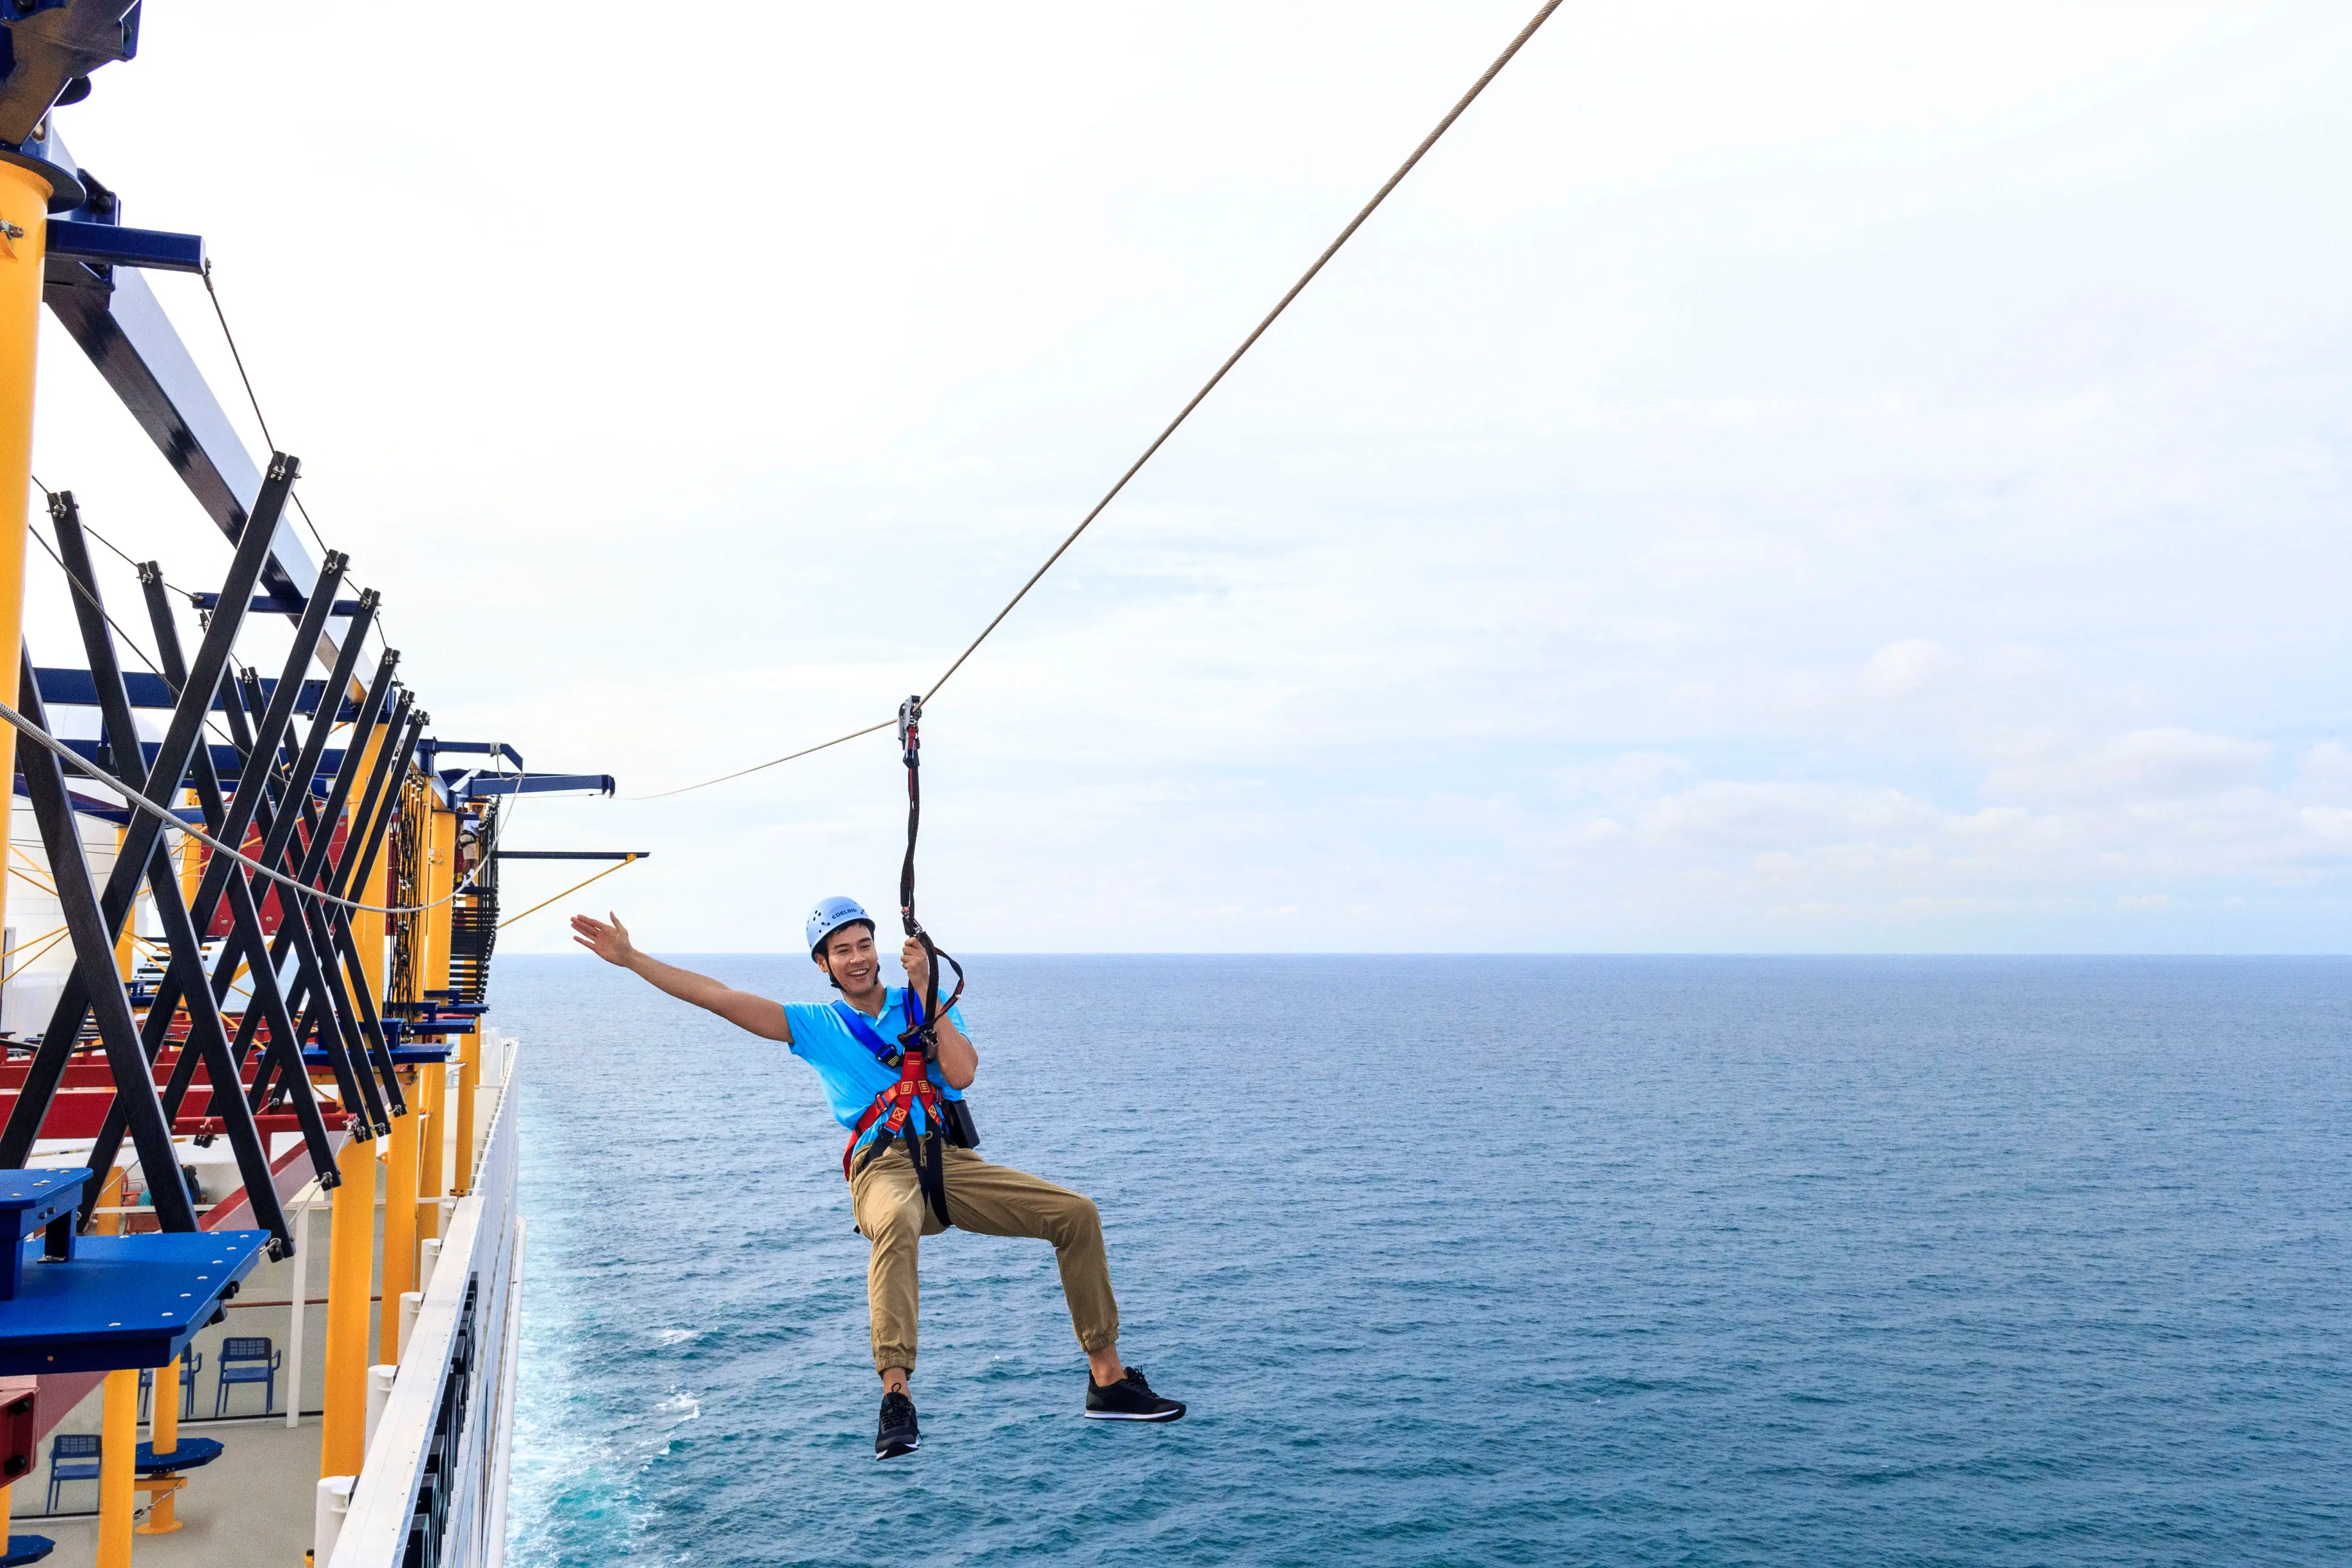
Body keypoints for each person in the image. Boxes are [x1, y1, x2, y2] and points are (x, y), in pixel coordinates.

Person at [569, 896, 1184, 1459]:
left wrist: (927, 988)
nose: (857, 958)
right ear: (823, 964)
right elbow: (716, 995)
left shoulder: (926, 1002)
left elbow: (963, 1074)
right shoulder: (816, 1025)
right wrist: (630, 959)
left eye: (864, 944)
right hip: (882, 1166)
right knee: (894, 1222)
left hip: (951, 1162)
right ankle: (897, 1396)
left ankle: (1107, 1379)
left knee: (1075, 1213)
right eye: (842, 950)